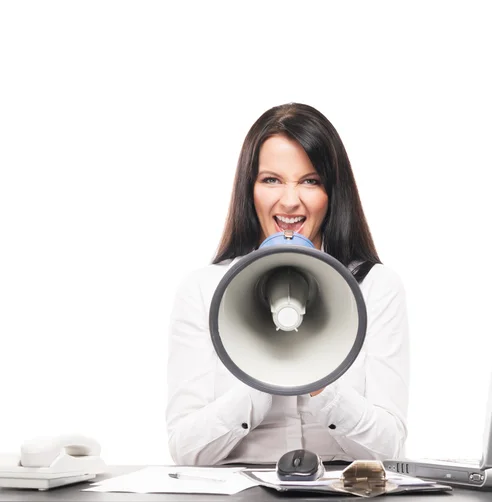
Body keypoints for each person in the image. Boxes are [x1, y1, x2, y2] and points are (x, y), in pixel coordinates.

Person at [166, 103, 409, 466]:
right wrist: (261, 374)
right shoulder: (203, 290)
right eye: (271, 180)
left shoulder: (375, 288)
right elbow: (186, 452)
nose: (290, 200)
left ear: (333, 193)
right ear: (249, 190)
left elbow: (388, 450)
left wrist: (322, 384)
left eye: (310, 181)